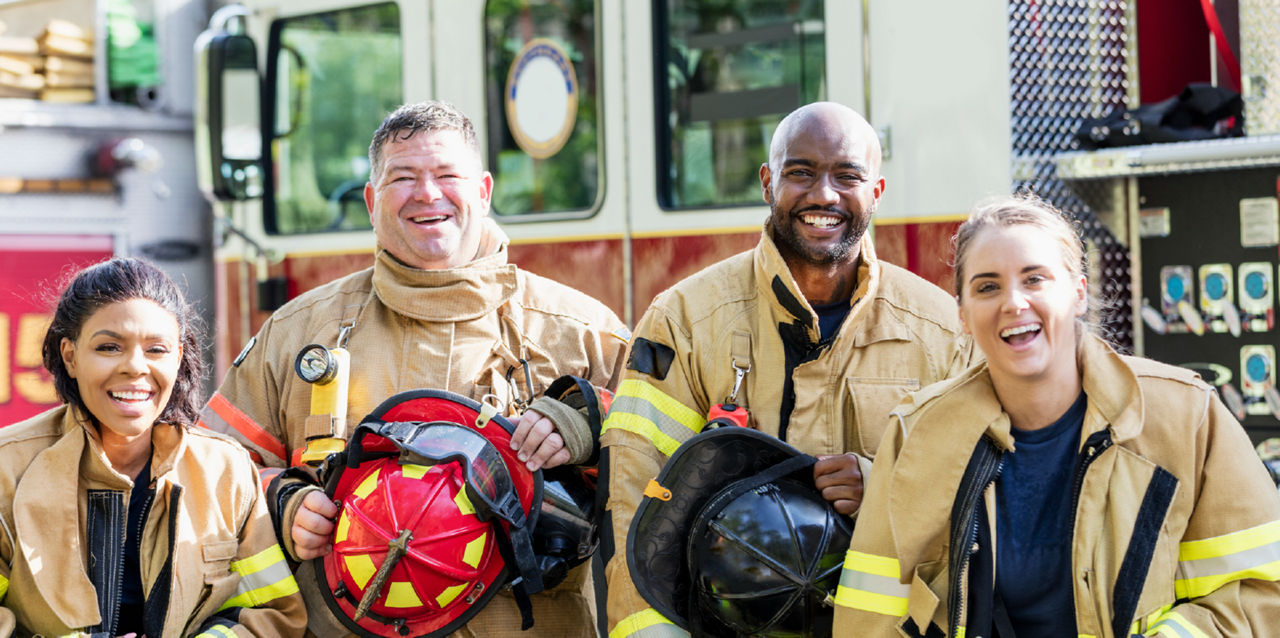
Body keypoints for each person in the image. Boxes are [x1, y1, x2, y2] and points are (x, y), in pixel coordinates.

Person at [200, 100, 629, 636]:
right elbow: (208, 474)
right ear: (371, 200)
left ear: (484, 191)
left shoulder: (584, 332)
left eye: (447, 175)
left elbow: (663, 475)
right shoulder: (297, 333)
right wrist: (283, 501)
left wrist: (590, 424)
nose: (428, 194)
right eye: (404, 178)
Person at [602, 101, 974, 636]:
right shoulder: (683, 320)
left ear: (877, 192)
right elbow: (636, 505)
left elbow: (977, 497)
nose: (823, 194)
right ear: (767, 181)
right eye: (800, 172)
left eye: (847, 176)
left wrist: (882, 485)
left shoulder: (942, 332)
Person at [832, 195, 1280, 637]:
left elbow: (1261, 592)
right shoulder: (916, 434)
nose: (1013, 303)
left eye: (1034, 279)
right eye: (987, 286)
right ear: (964, 315)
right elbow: (870, 616)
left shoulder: (1186, 415)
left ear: (1078, 293)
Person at [0, 257, 306, 637]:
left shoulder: (226, 470)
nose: (135, 367)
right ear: (70, 356)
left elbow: (272, 612)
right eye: (109, 347)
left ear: (178, 357)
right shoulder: (7, 469)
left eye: (156, 350)